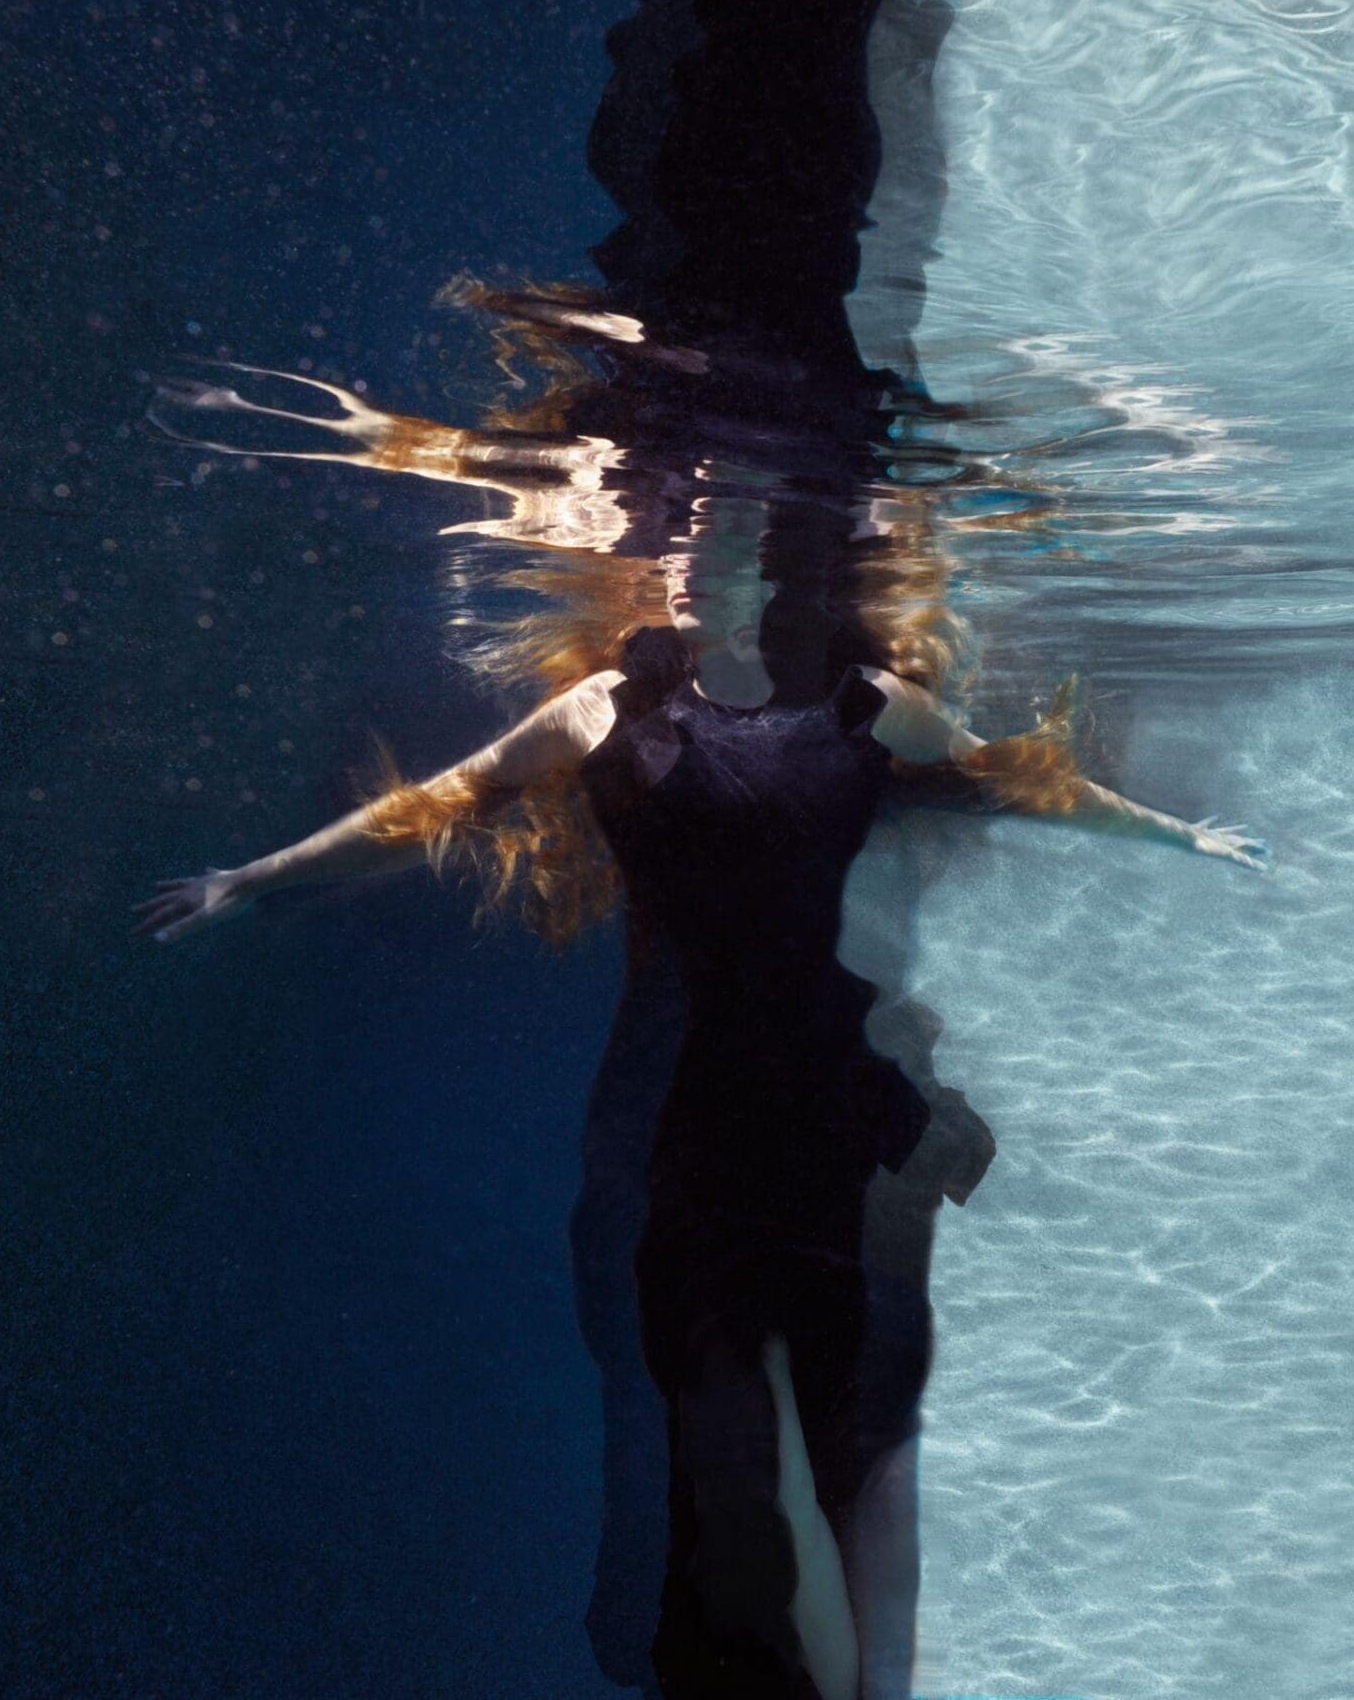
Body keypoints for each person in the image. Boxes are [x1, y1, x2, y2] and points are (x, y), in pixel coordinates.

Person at [135, 483, 1262, 1699]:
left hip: (829, 1107)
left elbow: (1019, 780)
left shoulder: (866, 707)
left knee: (839, 1431)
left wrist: (1178, 837)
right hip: (677, 1107)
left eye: (716, 536)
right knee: (710, 1426)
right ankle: (714, 1645)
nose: (681, 558)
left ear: (770, 563)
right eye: (674, 537)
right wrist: (255, 876)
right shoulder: (604, 711)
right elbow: (440, 802)